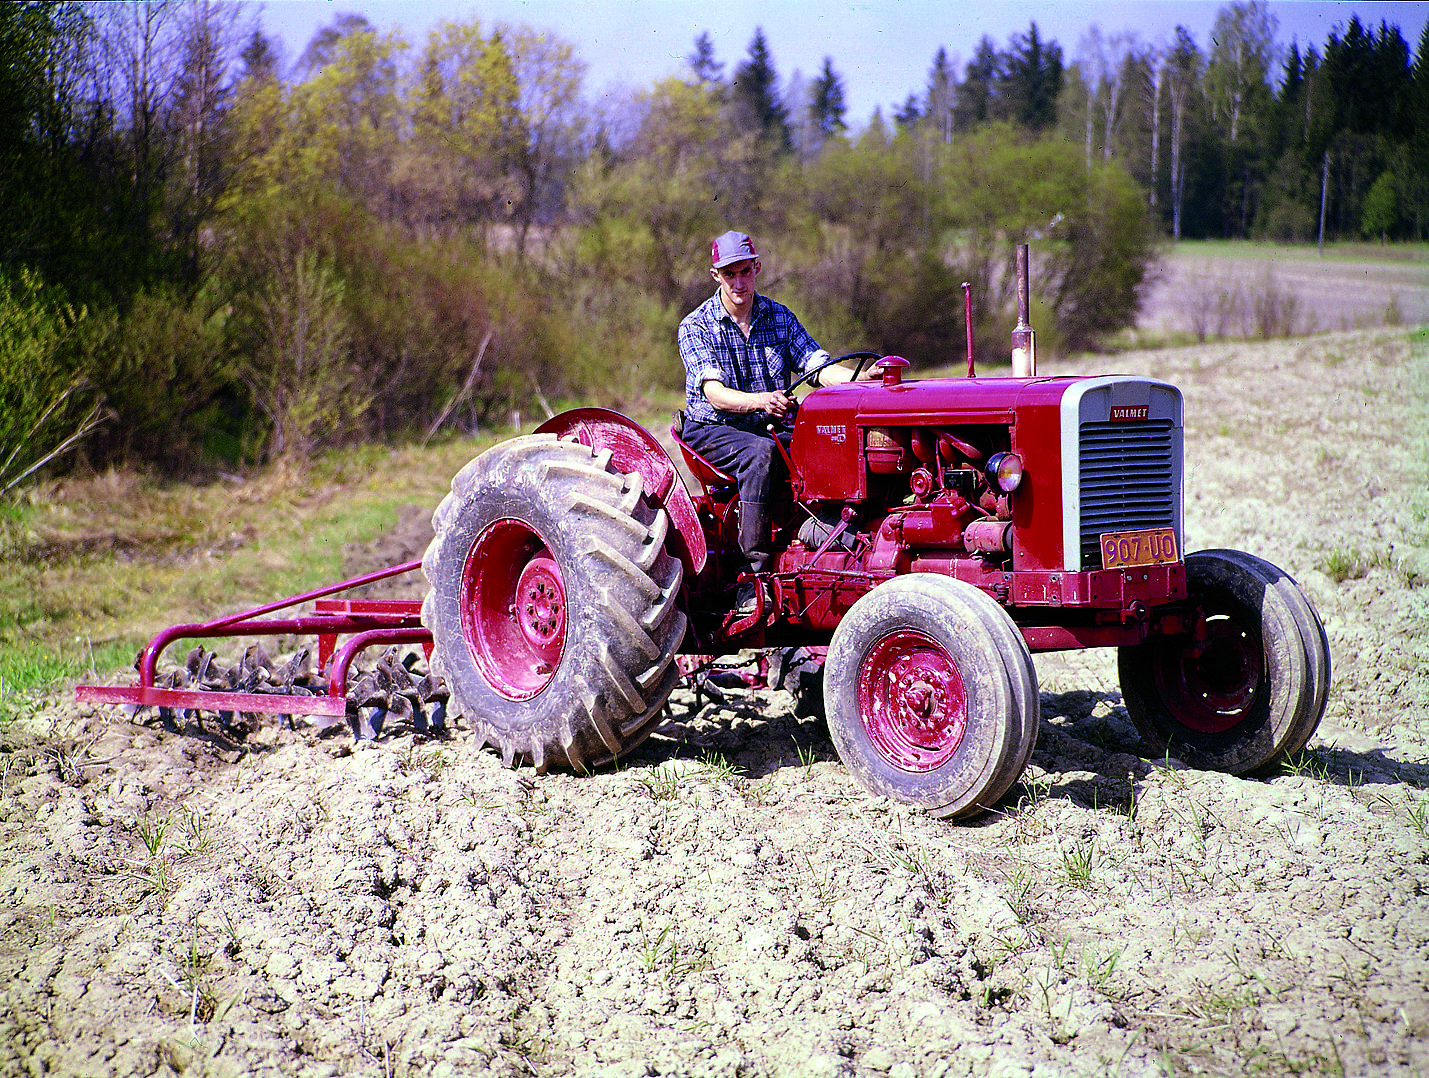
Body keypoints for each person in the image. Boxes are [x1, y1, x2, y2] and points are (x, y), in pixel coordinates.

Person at [677, 230, 871, 613]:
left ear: (757, 269)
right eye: (729, 274)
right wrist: (762, 401)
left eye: (745, 272)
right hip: (713, 428)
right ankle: (751, 578)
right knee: (761, 454)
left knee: (827, 435)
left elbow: (817, 365)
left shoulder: (778, 316)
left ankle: (833, 530)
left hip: (764, 422)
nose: (738, 282)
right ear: (715, 275)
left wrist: (862, 379)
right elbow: (715, 394)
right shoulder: (696, 326)